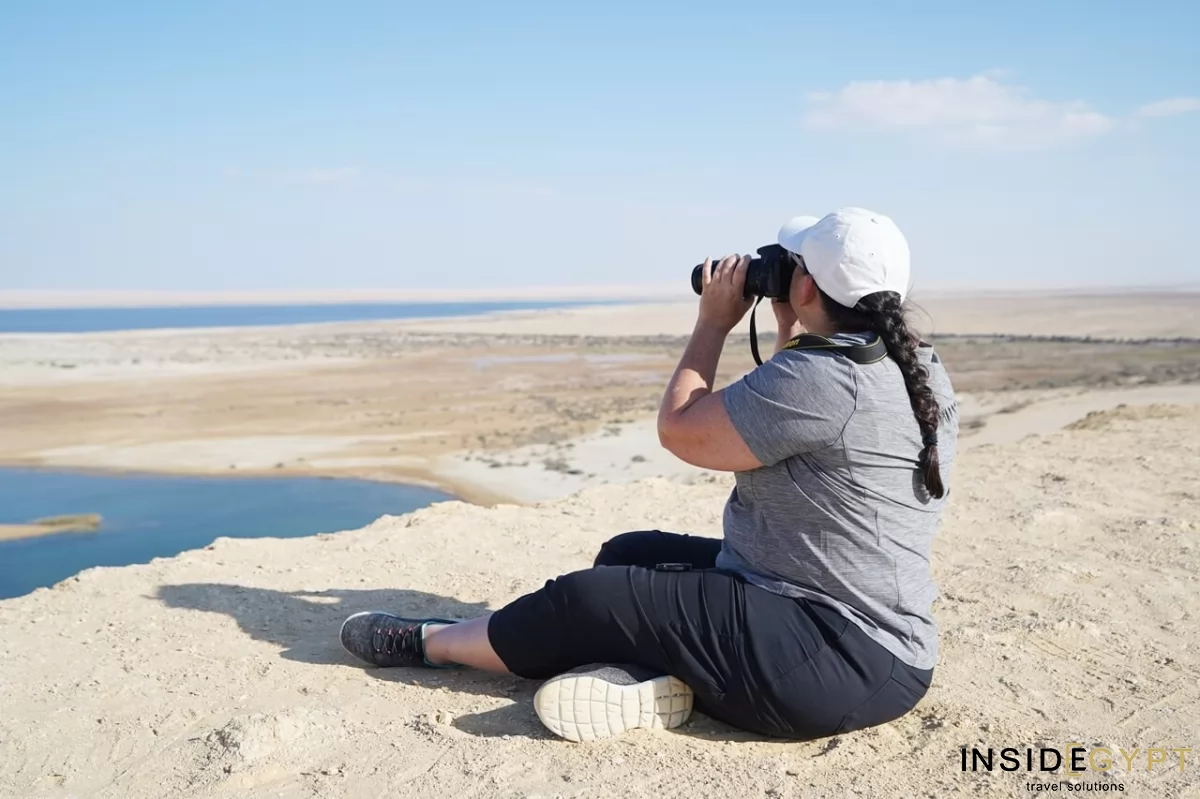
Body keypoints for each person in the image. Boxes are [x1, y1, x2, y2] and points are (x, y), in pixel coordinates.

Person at [339, 207, 959, 743]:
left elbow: (681, 429)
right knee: (624, 555)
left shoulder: (823, 381)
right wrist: (789, 321)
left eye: (791, 265)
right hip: (863, 646)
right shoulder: (913, 366)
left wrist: (714, 321)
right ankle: (647, 688)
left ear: (805, 287)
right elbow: (798, 412)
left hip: (830, 663)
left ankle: (432, 643)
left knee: (584, 598)